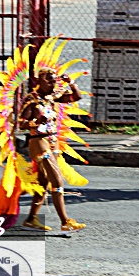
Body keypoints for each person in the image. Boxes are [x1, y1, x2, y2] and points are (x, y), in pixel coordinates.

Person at [19, 67, 86, 232]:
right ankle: (65, 221)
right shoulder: (31, 99)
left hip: (53, 140)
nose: (52, 83)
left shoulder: (52, 97)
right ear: (38, 81)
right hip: (39, 141)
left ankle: (30, 219)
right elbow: (21, 124)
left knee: (43, 182)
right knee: (57, 181)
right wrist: (36, 120)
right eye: (48, 79)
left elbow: (76, 96)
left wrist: (70, 82)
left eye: (54, 80)